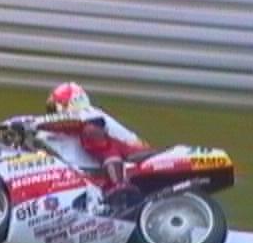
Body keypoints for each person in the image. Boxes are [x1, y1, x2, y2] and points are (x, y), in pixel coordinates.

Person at [13, 82, 151, 201]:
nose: (51, 114)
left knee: (90, 132)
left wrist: (32, 123)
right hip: (93, 174)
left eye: (54, 107)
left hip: (134, 156)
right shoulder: (59, 131)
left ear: (66, 104)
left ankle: (118, 183)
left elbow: (73, 122)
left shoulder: (90, 114)